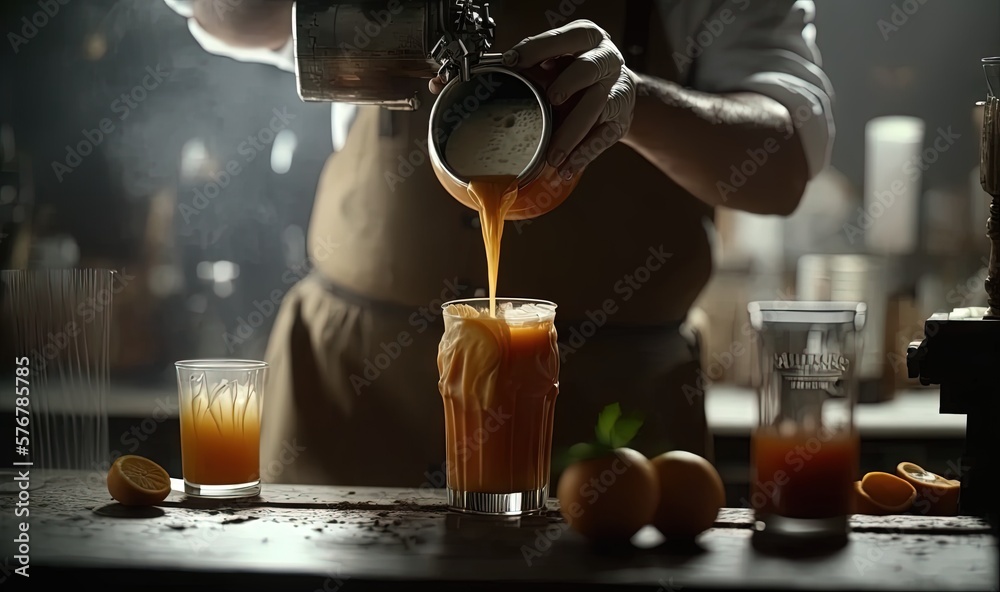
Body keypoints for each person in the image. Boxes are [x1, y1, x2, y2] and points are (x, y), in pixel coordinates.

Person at [165, 0, 834, 486]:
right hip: (348, 398)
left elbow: (782, 165)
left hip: (601, 426)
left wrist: (637, 103)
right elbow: (226, 15)